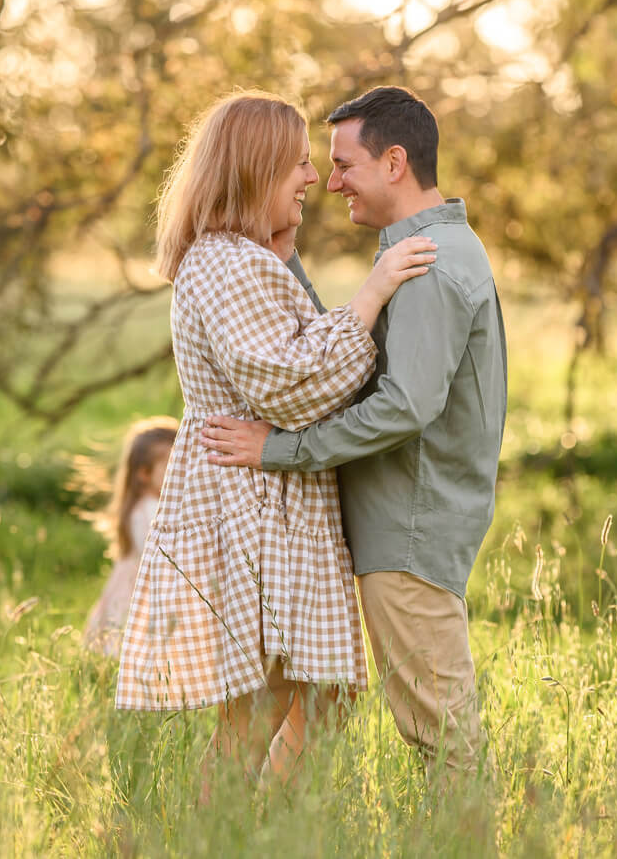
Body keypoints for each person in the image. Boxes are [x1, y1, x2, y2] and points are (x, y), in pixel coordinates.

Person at [113, 91, 438, 788]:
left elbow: (290, 354)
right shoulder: (228, 262)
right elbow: (290, 385)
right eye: (296, 163)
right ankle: (234, 829)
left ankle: (260, 824)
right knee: (268, 706)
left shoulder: (241, 257)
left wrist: (286, 261)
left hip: (276, 498)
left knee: (315, 692)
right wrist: (371, 294)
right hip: (256, 500)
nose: (313, 178)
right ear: (257, 168)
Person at [201, 86, 508, 774]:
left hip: (407, 532)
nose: (329, 180)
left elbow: (402, 406)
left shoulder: (428, 262)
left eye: (344, 165)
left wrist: (279, 451)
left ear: (394, 162)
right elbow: (348, 365)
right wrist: (288, 261)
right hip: (391, 528)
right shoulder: (420, 251)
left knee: (444, 736)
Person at [82, 416, 178, 655]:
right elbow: (164, 555)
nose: (181, 472)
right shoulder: (150, 510)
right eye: (172, 465)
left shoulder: (146, 506)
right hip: (141, 596)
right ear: (144, 474)